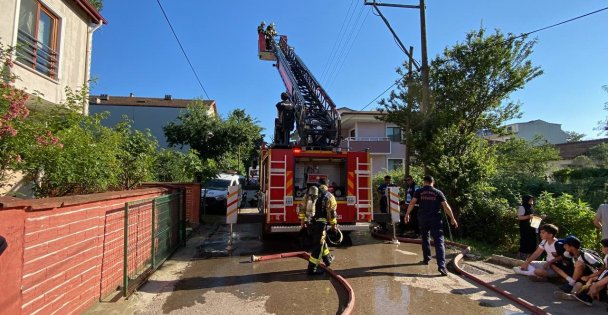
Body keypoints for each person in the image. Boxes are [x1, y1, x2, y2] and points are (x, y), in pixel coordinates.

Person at [404, 175, 458, 276]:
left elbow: (412, 203)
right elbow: (446, 206)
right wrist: (452, 218)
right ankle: (441, 266)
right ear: (433, 182)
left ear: (424, 182)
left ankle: (426, 259)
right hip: (435, 220)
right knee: (439, 242)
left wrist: (407, 214)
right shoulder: (438, 192)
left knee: (425, 238)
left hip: (423, 219)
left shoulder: (419, 191)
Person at [306, 178, 338, 275]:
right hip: (321, 224)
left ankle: (327, 259)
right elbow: (331, 213)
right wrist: (333, 225)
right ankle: (312, 269)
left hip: (311, 223)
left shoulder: (311, 194)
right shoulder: (329, 196)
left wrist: (303, 222)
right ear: (327, 185)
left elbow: (303, 206)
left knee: (321, 241)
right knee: (318, 247)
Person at [573, 238, 608, 306]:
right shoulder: (606, 256)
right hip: (605, 274)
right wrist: (591, 277)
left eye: (603, 246)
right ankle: (588, 297)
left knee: (595, 285)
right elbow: (603, 269)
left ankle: (588, 297)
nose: (601, 248)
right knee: (594, 283)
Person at [517, 195, 538, 260]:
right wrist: (529, 216)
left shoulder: (531, 207)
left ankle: (530, 259)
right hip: (525, 228)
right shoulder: (522, 207)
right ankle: (522, 259)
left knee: (533, 242)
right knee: (525, 242)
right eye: (530, 200)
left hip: (532, 227)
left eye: (532, 200)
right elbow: (520, 217)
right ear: (526, 200)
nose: (532, 201)